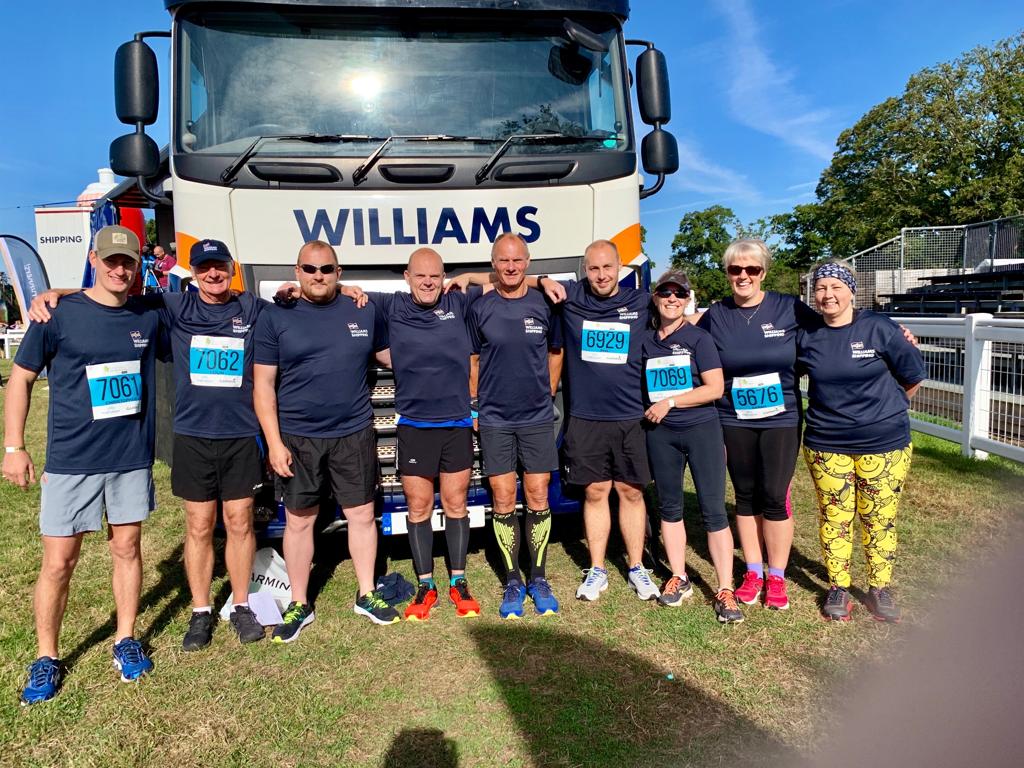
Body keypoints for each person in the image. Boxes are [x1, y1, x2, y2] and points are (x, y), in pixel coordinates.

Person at [28, 239, 270, 651]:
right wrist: (58, 293)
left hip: (240, 435)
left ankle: (242, 604)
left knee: (241, 523)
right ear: (192, 272)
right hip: (192, 437)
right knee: (198, 526)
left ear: (232, 268)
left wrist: (321, 289)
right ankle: (199, 610)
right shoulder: (172, 307)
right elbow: (113, 295)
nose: (213, 274)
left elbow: (300, 298)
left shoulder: (252, 309)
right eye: (205, 267)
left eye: (220, 267)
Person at [3, 226, 165, 704]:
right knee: (59, 563)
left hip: (129, 458)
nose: (119, 269)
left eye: (128, 262)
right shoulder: (56, 316)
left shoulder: (148, 315)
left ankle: (126, 639)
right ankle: (47, 657)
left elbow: (204, 295)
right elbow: (21, 379)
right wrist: (14, 447)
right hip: (72, 460)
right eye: (111, 260)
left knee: (127, 550)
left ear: (137, 268)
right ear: (93, 258)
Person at [253, 240, 399, 642]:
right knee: (299, 522)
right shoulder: (274, 316)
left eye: (327, 269)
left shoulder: (364, 309)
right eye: (310, 269)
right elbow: (263, 386)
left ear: (340, 272)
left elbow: (392, 352)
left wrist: (440, 355)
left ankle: (366, 593)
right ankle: (300, 601)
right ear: (297, 271)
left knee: (362, 516)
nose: (319, 276)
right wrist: (275, 443)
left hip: (353, 432)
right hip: (298, 438)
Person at [693, 239, 819, 611]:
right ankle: (752, 570)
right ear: (728, 273)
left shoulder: (788, 308)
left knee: (775, 495)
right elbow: (683, 337)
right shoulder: (716, 314)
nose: (743, 276)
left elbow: (832, 328)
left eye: (752, 269)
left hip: (781, 416)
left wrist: (882, 329)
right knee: (745, 494)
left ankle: (776, 575)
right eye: (735, 269)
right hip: (733, 415)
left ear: (763, 272)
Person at [797, 261, 926, 622]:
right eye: (821, 288)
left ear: (851, 291)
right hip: (826, 443)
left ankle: (879, 588)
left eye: (836, 287)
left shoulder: (880, 328)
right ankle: (838, 586)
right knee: (834, 517)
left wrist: (888, 409)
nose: (828, 295)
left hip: (885, 444)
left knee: (879, 517)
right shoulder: (806, 335)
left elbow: (912, 376)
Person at [364, 249, 484, 621]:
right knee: (418, 507)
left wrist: (472, 278)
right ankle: (425, 584)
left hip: (457, 423)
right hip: (415, 426)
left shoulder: (458, 301)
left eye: (435, 275)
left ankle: (459, 581)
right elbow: (342, 293)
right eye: (421, 276)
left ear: (443, 275)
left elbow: (507, 276)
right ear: (407, 276)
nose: (429, 282)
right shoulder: (391, 305)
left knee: (455, 504)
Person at [466, 233, 563, 618]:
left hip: (537, 416)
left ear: (527, 262)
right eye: (503, 261)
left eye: (517, 261)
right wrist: (474, 405)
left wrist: (548, 392)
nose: (510, 267)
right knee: (504, 496)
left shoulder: (545, 303)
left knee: (538, 493)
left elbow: (556, 353)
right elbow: (472, 359)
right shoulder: (480, 306)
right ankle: (512, 580)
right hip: (494, 418)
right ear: (493, 264)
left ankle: (537, 577)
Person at [557, 240, 659, 602]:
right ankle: (597, 568)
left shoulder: (642, 301)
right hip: (586, 417)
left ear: (620, 268)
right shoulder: (570, 296)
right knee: (595, 491)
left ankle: (636, 567)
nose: (601, 275)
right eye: (594, 268)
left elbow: (682, 316)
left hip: (632, 416)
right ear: (585, 269)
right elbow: (518, 279)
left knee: (631, 492)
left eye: (608, 267)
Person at [642, 271, 743, 622]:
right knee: (670, 508)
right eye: (665, 292)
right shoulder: (646, 341)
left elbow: (714, 388)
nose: (672, 299)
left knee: (713, 510)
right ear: (655, 297)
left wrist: (670, 401)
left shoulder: (699, 339)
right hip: (661, 435)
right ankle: (678, 576)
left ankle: (726, 589)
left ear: (687, 299)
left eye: (679, 294)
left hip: (701, 430)